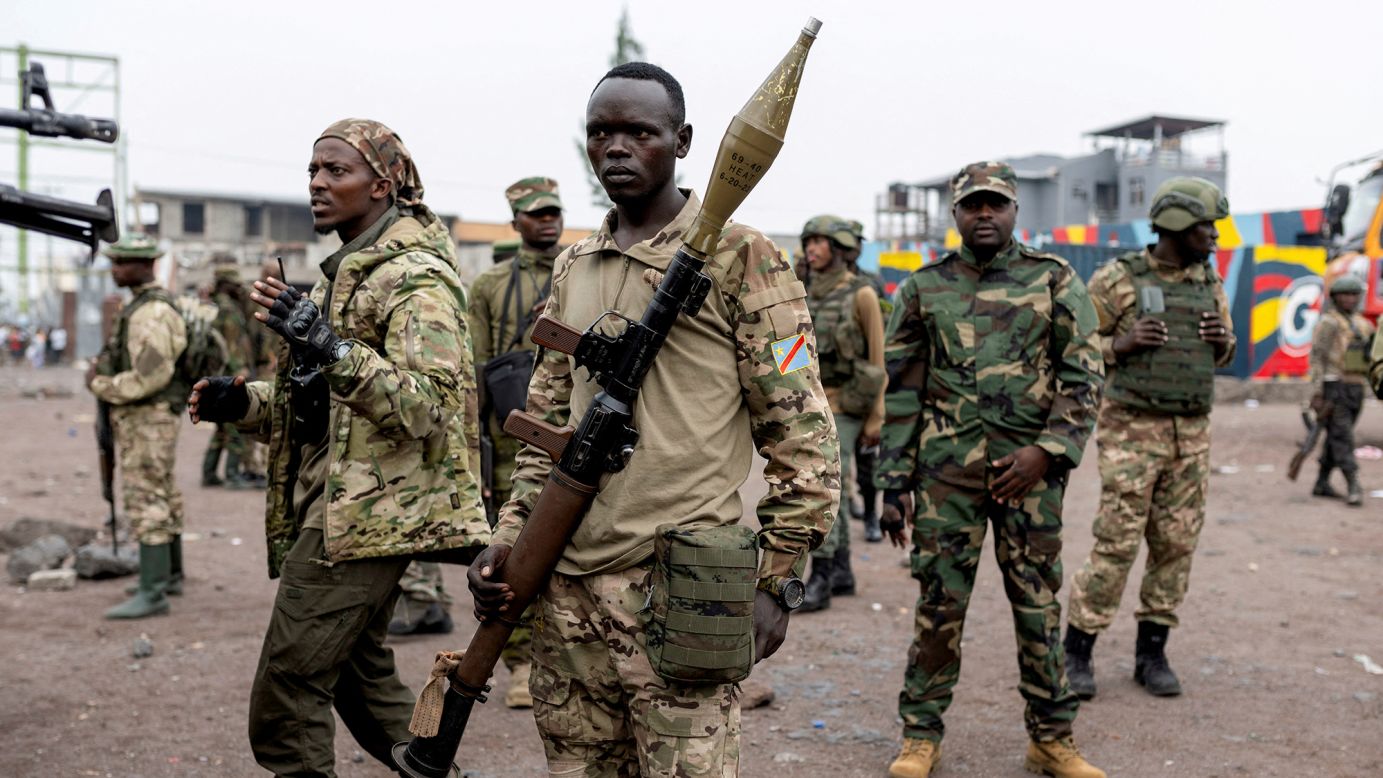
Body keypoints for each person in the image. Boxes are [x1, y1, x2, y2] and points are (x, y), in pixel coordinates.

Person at [469, 62, 839, 776]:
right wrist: (510, 539)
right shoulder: (575, 264)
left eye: (639, 131)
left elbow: (802, 432)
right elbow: (545, 424)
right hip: (565, 594)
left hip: (678, 589)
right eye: (600, 132)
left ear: (683, 141)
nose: (615, 147)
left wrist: (778, 581)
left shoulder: (744, 256)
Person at [186, 118, 489, 776]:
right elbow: (325, 411)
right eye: (312, 172)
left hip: (368, 517)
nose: (317, 184)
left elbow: (432, 411)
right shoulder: (343, 277)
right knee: (357, 678)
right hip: (345, 507)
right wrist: (243, 403)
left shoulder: (416, 279)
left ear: (382, 186)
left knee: (287, 690)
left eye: (335, 172)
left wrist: (331, 347)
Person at [876, 162, 1105, 778]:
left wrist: (1047, 451)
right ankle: (920, 736)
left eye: (995, 205)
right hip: (946, 481)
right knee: (939, 607)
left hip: (1029, 482)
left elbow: (1084, 376)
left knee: (1038, 607)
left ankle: (1052, 739)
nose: (984, 215)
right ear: (955, 214)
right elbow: (901, 393)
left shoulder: (1053, 280)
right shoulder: (924, 289)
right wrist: (893, 484)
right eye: (973, 205)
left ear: (1013, 213)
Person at [1062, 177, 1235, 702]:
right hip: (1133, 432)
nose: (1215, 237)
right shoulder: (1119, 279)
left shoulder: (1209, 280)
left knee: (1176, 545)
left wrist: (1221, 342)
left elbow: (1222, 353)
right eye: (1208, 226)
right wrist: (1122, 342)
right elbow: (1074, 344)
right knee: (1116, 541)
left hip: (1192, 435)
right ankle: (1077, 650)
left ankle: (1151, 653)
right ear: (1179, 224)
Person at [88, 233, 188, 620]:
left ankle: (153, 592)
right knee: (162, 491)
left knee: (147, 496)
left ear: (144, 265)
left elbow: (150, 376)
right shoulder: (145, 306)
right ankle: (169, 575)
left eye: (121, 262)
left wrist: (100, 384)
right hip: (150, 416)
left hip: (148, 415)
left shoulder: (151, 313)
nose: (114, 269)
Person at [797, 214, 886, 613]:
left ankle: (822, 576)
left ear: (838, 248)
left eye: (820, 242)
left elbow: (877, 359)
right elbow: (794, 350)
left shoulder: (861, 294)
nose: (811, 249)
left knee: (825, 484)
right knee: (829, 483)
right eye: (808, 241)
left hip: (849, 405)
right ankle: (844, 573)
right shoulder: (802, 291)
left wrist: (875, 420)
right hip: (812, 402)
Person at [1306, 274, 1375, 505]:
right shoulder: (1329, 323)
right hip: (1334, 386)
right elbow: (1317, 357)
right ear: (1335, 298)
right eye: (1345, 294)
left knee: (1335, 438)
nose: (1350, 299)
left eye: (1354, 295)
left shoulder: (1364, 325)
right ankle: (1353, 483)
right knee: (1343, 438)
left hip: (1356, 387)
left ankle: (1321, 482)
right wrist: (1316, 392)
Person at [202, 260, 256, 488]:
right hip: (229, 376)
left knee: (220, 428)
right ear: (226, 285)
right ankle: (232, 475)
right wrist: (239, 377)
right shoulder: (229, 310)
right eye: (235, 285)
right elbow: (232, 347)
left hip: (213, 375)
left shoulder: (212, 306)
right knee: (234, 425)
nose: (239, 288)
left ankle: (209, 473)